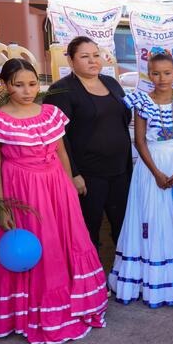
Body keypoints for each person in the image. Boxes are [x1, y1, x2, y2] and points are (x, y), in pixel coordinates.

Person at [0, 59, 107, 344]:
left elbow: (62, 154)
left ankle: (70, 306)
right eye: (18, 85)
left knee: (64, 244)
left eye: (32, 84)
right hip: (22, 192)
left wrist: (69, 187)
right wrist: (0, 205)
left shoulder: (51, 114)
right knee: (37, 250)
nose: (27, 91)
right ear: (6, 86)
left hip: (57, 187)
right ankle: (30, 314)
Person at [107, 53, 173, 307]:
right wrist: (157, 173)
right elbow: (139, 140)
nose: (162, 78)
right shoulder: (141, 102)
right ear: (149, 74)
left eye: (167, 73)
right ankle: (153, 280)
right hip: (151, 169)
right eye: (156, 73)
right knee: (152, 219)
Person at [44, 36, 132, 249]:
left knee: (123, 226)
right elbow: (57, 137)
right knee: (88, 229)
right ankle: (91, 278)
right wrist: (72, 174)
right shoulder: (61, 91)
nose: (93, 61)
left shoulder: (111, 83)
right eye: (85, 56)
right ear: (71, 61)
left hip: (120, 171)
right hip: (87, 175)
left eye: (96, 55)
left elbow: (124, 118)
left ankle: (121, 276)